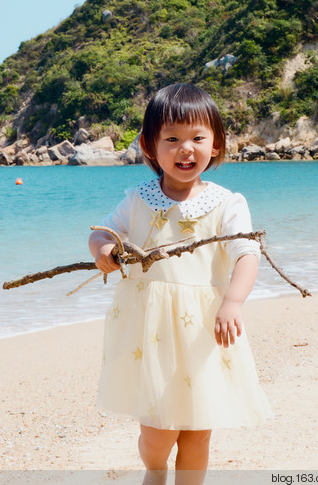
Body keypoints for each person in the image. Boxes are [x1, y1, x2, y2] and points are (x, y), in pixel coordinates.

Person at [89, 83, 273, 485]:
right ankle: (154, 471)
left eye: (197, 138)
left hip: (204, 330)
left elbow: (246, 253)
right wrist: (104, 251)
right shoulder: (138, 199)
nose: (185, 149)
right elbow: (104, 233)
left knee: (197, 428)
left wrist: (233, 302)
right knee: (158, 431)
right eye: (171, 139)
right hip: (148, 331)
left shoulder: (227, 203)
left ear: (217, 144)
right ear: (149, 146)